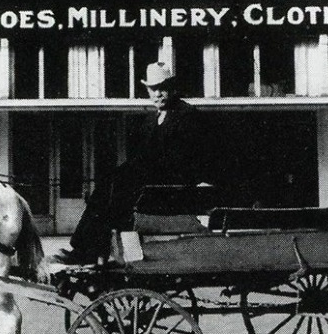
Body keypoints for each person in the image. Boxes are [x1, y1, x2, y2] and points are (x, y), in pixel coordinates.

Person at [51, 61, 211, 265]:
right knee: (106, 187)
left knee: (114, 187)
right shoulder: (151, 122)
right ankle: (88, 249)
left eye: (162, 88)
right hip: (152, 186)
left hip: (173, 188)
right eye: (153, 89)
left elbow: (191, 158)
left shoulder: (187, 115)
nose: (158, 94)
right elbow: (141, 158)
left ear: (172, 89)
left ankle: (88, 250)